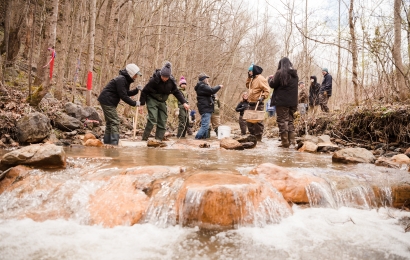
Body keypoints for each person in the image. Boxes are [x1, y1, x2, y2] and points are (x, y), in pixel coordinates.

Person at [139, 61, 189, 143]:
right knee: (152, 119)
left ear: (169, 76)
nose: (164, 78)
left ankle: (158, 140)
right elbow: (144, 91)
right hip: (152, 99)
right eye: (163, 76)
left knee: (162, 120)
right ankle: (144, 139)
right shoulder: (154, 80)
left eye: (166, 77)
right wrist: (141, 104)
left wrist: (184, 103)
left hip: (162, 101)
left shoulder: (172, 82)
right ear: (161, 74)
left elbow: (176, 92)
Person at [98, 63, 142, 145]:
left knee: (109, 122)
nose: (136, 77)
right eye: (136, 75)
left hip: (108, 101)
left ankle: (107, 143)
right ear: (131, 73)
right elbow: (123, 96)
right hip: (107, 101)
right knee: (115, 121)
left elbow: (126, 93)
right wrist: (134, 103)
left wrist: (136, 90)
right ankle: (114, 144)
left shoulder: (125, 80)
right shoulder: (121, 79)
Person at [269, 57, 299, 148]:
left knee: (282, 121)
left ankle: (285, 142)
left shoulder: (280, 73)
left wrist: (270, 79)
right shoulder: (295, 75)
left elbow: (272, 84)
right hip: (293, 102)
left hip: (282, 102)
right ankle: (293, 142)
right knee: (290, 121)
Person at [194, 72, 223, 139]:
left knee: (205, 126)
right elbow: (212, 91)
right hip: (205, 108)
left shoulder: (202, 86)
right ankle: (197, 139)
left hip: (206, 108)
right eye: (207, 78)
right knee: (205, 126)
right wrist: (219, 86)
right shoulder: (202, 86)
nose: (208, 80)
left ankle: (203, 139)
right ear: (204, 79)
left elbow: (210, 94)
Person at [245, 64, 270, 141]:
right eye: (248, 71)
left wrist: (262, 97)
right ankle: (252, 137)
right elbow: (247, 86)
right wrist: (249, 78)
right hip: (251, 103)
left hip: (258, 103)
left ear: (254, 71)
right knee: (249, 121)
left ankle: (258, 138)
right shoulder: (252, 79)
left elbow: (267, 90)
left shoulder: (260, 79)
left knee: (258, 122)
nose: (249, 72)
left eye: (250, 71)